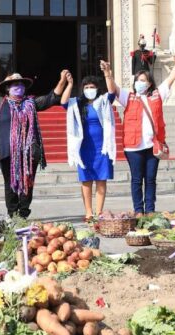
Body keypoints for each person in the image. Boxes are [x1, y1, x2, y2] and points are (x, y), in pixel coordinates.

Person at [0, 70, 67, 218]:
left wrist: (62, 79)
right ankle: (12, 213)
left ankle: (23, 213)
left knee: (27, 182)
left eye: (21, 85)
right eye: (14, 85)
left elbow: (52, 97)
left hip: (29, 150)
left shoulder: (32, 103)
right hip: (8, 150)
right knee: (10, 183)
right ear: (7, 88)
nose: (18, 87)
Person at [114, 55, 175, 216]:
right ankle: (138, 210)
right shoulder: (128, 97)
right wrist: (108, 74)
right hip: (133, 146)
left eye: (143, 80)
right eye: (138, 80)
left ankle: (150, 209)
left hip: (153, 146)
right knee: (137, 180)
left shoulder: (157, 95)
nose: (140, 83)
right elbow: (113, 89)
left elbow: (170, 79)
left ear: (149, 83)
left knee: (150, 179)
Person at [61, 62, 117, 220]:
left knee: (101, 178)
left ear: (97, 89)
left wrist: (107, 73)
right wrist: (70, 84)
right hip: (84, 147)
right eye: (86, 87)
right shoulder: (77, 104)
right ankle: (88, 212)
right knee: (86, 180)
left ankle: (99, 212)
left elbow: (112, 91)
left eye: (92, 87)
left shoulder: (104, 102)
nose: (89, 90)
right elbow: (64, 102)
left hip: (103, 146)